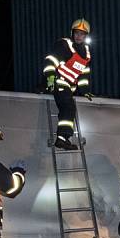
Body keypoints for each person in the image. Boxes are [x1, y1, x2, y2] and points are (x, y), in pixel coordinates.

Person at [43, 18, 92, 151]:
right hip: (59, 82)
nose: (79, 36)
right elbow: (50, 60)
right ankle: (62, 139)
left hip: (69, 88)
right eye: (77, 33)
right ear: (72, 33)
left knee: (67, 109)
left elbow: (84, 74)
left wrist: (85, 90)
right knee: (69, 107)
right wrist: (50, 78)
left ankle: (64, 138)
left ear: (86, 36)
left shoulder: (86, 54)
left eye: (82, 34)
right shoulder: (65, 45)